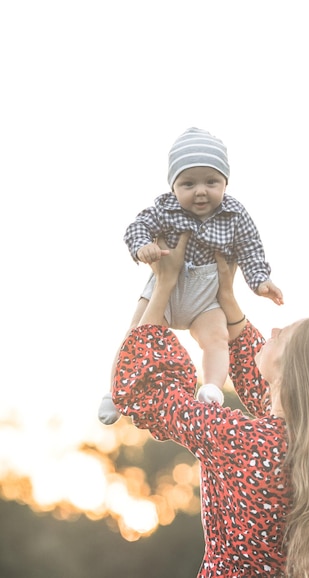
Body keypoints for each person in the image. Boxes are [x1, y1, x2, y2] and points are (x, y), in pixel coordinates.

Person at [111, 233, 309, 578]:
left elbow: (149, 392)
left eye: (283, 335)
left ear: (294, 373)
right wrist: (227, 297)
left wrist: (164, 287)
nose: (272, 329)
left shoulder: (246, 442)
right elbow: (261, 380)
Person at [98, 126, 283, 424]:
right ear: (174, 187)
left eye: (211, 181)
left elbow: (250, 248)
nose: (200, 191)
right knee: (136, 334)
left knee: (217, 337)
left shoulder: (234, 214)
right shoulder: (165, 208)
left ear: (225, 183)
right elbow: (136, 227)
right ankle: (115, 392)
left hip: (206, 298)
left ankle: (210, 388)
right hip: (167, 288)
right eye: (188, 183)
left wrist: (260, 280)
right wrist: (143, 246)